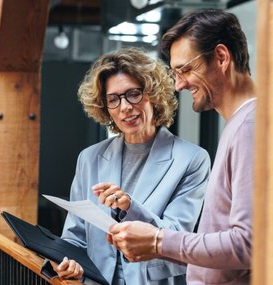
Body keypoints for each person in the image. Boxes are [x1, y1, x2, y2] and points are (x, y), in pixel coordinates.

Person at [107, 9, 256, 285]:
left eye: (186, 69)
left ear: (221, 58)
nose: (178, 84)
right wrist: (152, 241)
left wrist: (158, 240)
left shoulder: (249, 126)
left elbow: (247, 244)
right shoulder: (240, 124)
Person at [42, 48, 211, 284]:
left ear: (153, 94)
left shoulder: (192, 159)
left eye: (133, 94)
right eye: (113, 99)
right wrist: (70, 262)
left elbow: (174, 236)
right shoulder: (89, 158)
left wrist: (130, 206)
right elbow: (76, 237)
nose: (125, 107)